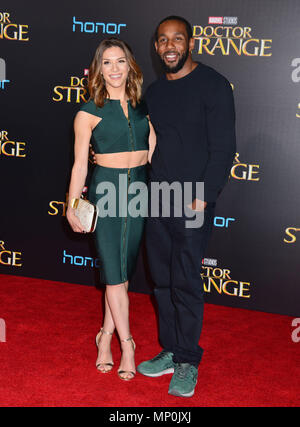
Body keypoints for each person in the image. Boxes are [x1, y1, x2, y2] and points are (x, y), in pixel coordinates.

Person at [137, 16, 236, 397]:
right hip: (159, 196)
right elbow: (152, 143)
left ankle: (188, 360)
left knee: (186, 280)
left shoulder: (213, 85)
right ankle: (170, 349)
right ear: (157, 47)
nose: (170, 46)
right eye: (163, 40)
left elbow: (224, 148)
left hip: (193, 197)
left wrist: (204, 196)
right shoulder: (156, 92)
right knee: (162, 280)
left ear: (190, 43)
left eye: (177, 38)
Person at [66, 38, 156, 381]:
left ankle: (103, 337)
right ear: (98, 69)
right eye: (107, 62)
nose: (115, 69)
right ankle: (127, 344)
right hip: (107, 190)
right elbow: (78, 166)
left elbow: (153, 149)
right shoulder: (87, 113)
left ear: (130, 66)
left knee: (121, 272)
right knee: (116, 276)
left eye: (121, 61)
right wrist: (73, 205)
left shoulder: (142, 106)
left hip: (139, 191)